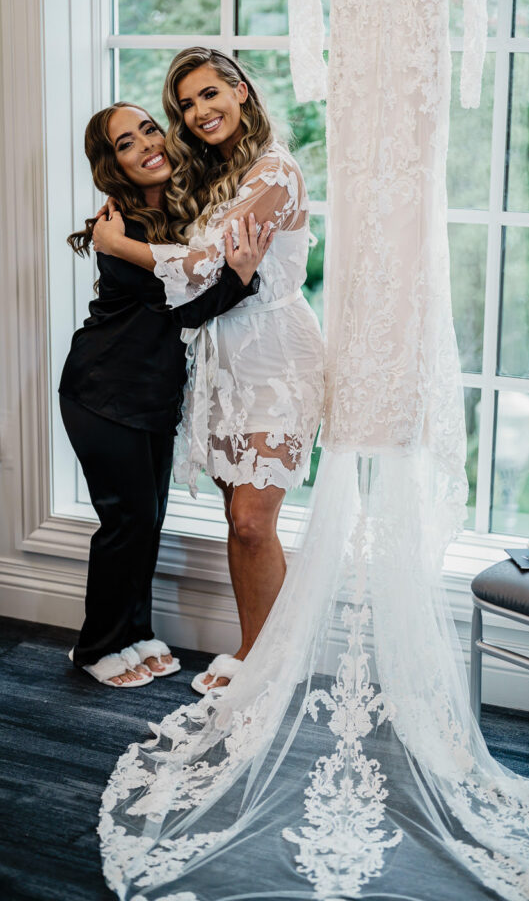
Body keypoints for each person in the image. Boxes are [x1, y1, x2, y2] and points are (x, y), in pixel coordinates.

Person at [92, 51, 325, 692]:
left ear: (241, 91)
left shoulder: (274, 170)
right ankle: (255, 655)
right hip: (221, 359)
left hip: (275, 356)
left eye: (209, 94)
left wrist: (119, 247)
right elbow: (207, 275)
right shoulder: (216, 171)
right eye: (186, 106)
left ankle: (269, 666)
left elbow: (200, 262)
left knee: (254, 520)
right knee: (239, 525)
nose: (199, 113)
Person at [60, 102, 272, 688]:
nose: (146, 145)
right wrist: (240, 275)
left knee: (146, 519)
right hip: (101, 394)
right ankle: (96, 647)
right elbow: (192, 305)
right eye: (126, 143)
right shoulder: (118, 231)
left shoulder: (180, 217)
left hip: (149, 397)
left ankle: (134, 634)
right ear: (113, 165)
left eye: (149, 129)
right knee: (124, 523)